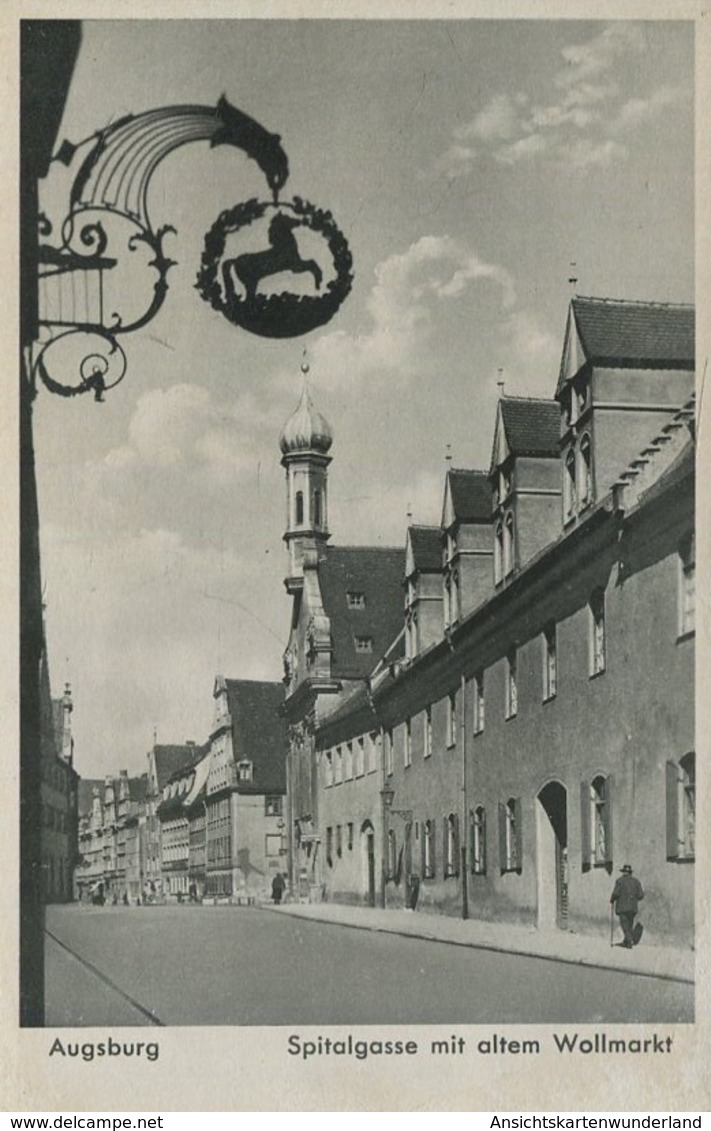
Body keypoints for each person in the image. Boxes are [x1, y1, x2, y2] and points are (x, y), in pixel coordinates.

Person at [610, 864, 644, 948]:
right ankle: (626, 942)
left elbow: (616, 893)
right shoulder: (636, 881)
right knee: (629, 924)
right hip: (632, 908)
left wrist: (612, 899)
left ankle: (630, 940)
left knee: (624, 924)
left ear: (624, 872)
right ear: (630, 873)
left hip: (622, 907)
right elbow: (641, 895)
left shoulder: (620, 881)